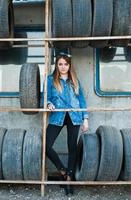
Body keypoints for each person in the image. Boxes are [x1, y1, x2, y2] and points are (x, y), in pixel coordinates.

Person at [44, 54, 89, 196]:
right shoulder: (50, 80)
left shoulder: (74, 80)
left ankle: (68, 180)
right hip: (58, 115)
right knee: (45, 144)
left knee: (72, 148)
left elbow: (81, 100)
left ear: (69, 66)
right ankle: (62, 171)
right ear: (56, 66)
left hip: (74, 116)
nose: (63, 67)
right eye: (60, 64)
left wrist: (85, 118)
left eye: (66, 64)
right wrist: (48, 104)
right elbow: (45, 97)